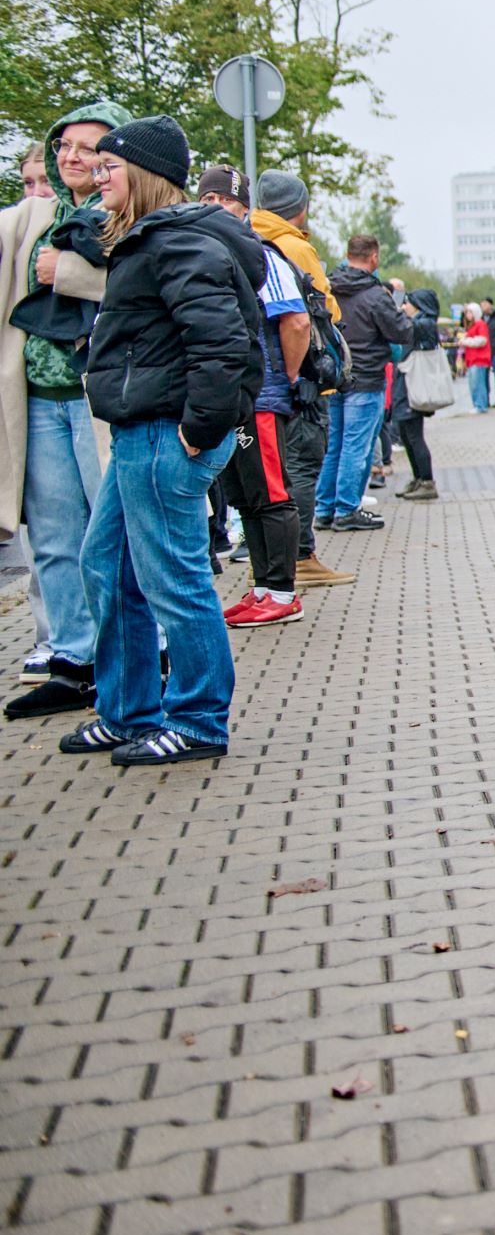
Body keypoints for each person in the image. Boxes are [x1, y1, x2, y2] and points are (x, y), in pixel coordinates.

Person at [54, 116, 263, 766]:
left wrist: (201, 428)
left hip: (164, 434)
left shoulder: (177, 241)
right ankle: (127, 710)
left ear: (143, 174)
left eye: (109, 166)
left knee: (173, 576)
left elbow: (222, 342)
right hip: (140, 432)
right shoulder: (152, 238)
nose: (96, 174)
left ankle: (198, 717)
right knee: (108, 566)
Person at [0, 100, 126, 720]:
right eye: (64, 147)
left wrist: (67, 270)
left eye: (88, 148)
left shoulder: (132, 213)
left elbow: (137, 285)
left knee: (115, 535)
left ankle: (135, 653)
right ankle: (72, 660)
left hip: (97, 400)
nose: (72, 158)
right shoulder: (33, 216)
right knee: (52, 538)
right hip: (38, 398)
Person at [197, 167, 311, 627]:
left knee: (271, 494)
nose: (216, 209)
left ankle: (283, 593)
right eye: (207, 200)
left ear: (245, 208)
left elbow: (296, 322)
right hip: (229, 399)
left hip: (260, 398)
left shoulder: (262, 257)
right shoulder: (205, 252)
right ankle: (262, 586)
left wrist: (281, 376)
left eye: (226, 201)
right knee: (244, 496)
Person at [250, 171, 346, 588]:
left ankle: (270, 563)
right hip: (299, 377)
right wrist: (296, 373)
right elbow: (318, 313)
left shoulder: (248, 239)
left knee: (270, 477)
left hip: (261, 378)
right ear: (300, 207)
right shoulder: (293, 246)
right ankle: (301, 558)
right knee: (303, 464)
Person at [316, 234, 410, 533]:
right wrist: (403, 315)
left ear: (347, 254)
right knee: (356, 447)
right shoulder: (375, 294)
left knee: (334, 446)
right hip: (366, 376)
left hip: (334, 376)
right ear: (374, 257)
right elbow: (400, 332)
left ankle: (324, 508)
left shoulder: (328, 286)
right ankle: (346, 509)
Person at [391, 285, 442, 502]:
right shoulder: (421, 322)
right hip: (408, 383)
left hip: (414, 385)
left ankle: (427, 480)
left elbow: (400, 323)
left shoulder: (424, 323)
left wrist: (394, 306)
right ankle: (419, 478)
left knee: (414, 435)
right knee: (406, 434)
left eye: (409, 302)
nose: (405, 306)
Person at [461, 304, 494, 413]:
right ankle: (477, 404)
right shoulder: (472, 326)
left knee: (478, 384)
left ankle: (480, 405)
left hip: (479, 359)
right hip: (472, 359)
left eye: (470, 312)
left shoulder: (480, 324)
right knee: (473, 384)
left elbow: (482, 340)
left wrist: (465, 341)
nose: (467, 315)